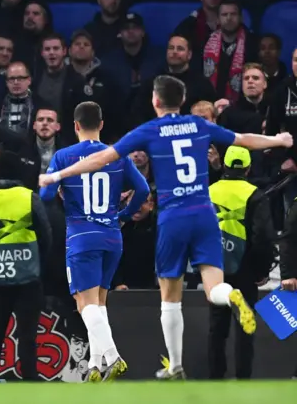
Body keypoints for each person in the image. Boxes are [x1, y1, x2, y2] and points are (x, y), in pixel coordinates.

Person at [38, 75, 293, 380]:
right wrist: (278, 140)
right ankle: (231, 296)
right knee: (214, 288)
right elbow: (241, 138)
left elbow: (100, 158)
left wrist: (56, 176)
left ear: (155, 101)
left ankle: (171, 364)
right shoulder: (198, 125)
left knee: (165, 296)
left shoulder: (149, 130)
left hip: (169, 218)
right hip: (201, 214)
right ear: (182, 101)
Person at [39, 102, 150, 382]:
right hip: (112, 235)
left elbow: (46, 197)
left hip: (81, 236)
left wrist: (59, 189)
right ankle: (96, 365)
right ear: (101, 124)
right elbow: (143, 189)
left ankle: (112, 357)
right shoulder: (118, 156)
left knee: (84, 303)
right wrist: (124, 215)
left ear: (75, 126)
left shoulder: (64, 157)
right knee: (99, 303)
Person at [0, 151, 52, 382]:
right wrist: (39, 264)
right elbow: (46, 236)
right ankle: (30, 381)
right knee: (27, 335)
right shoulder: (28, 197)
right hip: (28, 277)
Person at [208, 146, 275, 380]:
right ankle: (243, 380)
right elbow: (263, 237)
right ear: (247, 169)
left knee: (217, 327)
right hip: (245, 267)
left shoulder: (210, 191)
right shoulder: (255, 194)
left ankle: (215, 379)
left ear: (224, 166)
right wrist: (261, 270)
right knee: (246, 329)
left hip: (215, 266)